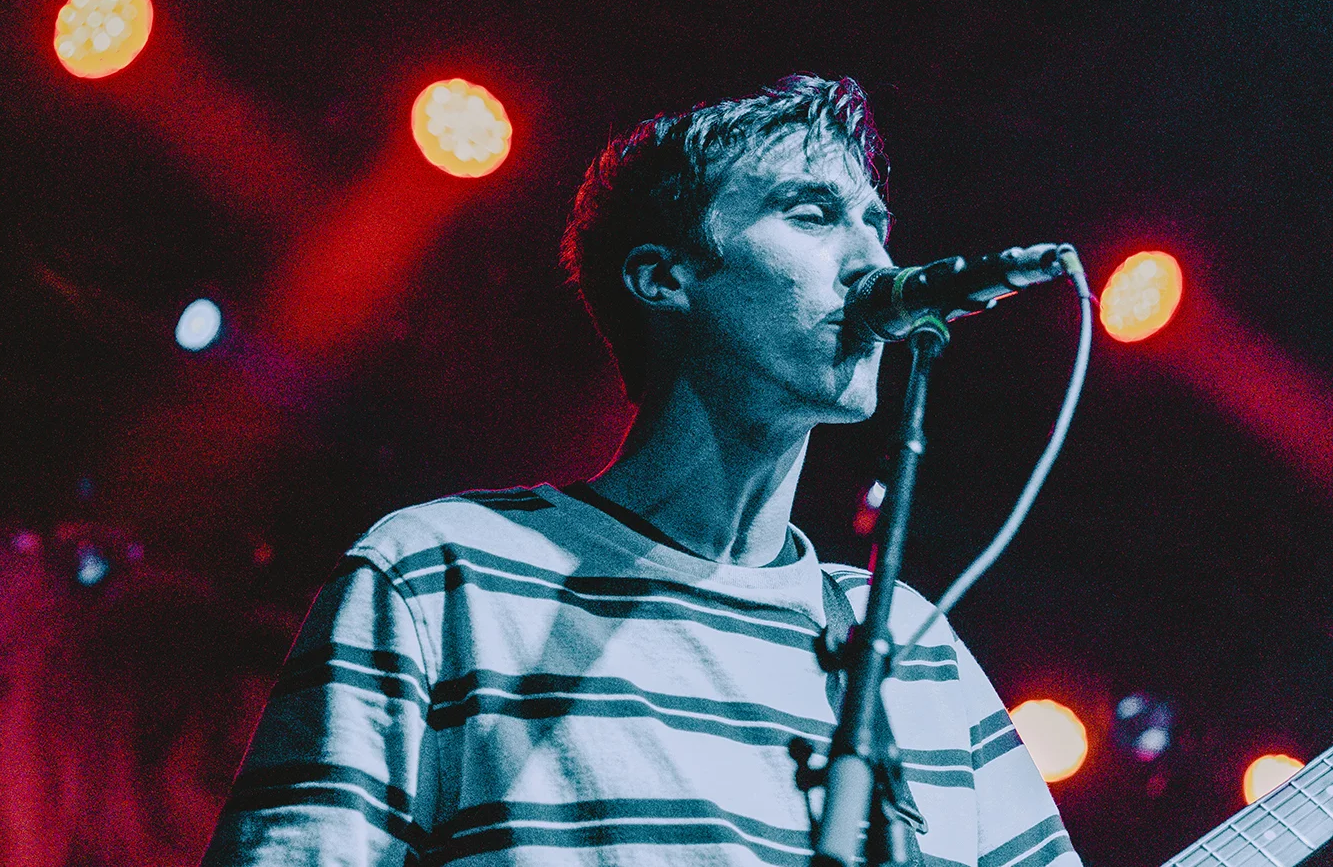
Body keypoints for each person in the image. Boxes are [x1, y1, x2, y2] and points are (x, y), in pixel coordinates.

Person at [201, 75, 1081, 866]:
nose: (874, 265)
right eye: (811, 215)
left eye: (874, 225)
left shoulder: (914, 651)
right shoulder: (441, 576)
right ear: (663, 278)